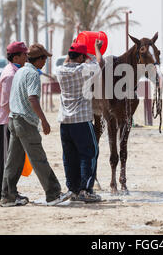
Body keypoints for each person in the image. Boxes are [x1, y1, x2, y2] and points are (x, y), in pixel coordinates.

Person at [1, 43, 70, 207]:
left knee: (13, 161)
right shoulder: (32, 74)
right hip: (25, 122)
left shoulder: (20, 71)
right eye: (44, 58)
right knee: (39, 159)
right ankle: (53, 194)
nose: (45, 61)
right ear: (37, 59)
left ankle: (8, 196)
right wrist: (44, 120)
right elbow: (32, 99)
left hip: (14, 120)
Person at [56, 40, 104, 203]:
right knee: (89, 153)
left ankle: (73, 189)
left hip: (64, 122)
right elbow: (100, 63)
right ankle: (86, 189)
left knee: (69, 156)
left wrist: (78, 52)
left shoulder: (60, 70)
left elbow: (66, 62)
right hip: (82, 120)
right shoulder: (85, 69)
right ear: (82, 57)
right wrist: (96, 49)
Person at [0, 41, 28, 202]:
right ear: (16, 56)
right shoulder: (10, 75)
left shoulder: (15, 72)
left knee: (8, 158)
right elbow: (6, 103)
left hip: (8, 120)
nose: (27, 57)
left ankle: (0, 191)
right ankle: (3, 191)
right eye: (24, 54)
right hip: (5, 121)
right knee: (7, 159)